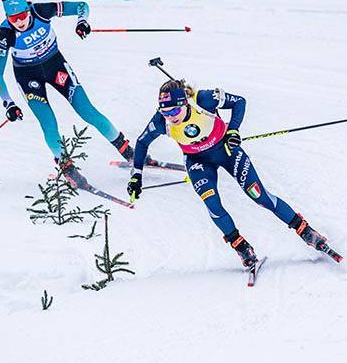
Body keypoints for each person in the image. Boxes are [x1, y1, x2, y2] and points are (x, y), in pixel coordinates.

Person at [127, 80, 332, 268]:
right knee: (213, 205)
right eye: (165, 112)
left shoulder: (203, 100)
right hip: (198, 162)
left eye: (173, 111)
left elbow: (239, 102)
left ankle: (306, 232)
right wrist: (136, 175)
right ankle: (242, 247)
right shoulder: (161, 121)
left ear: (185, 103)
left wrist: (233, 130)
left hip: (227, 151)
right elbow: (142, 142)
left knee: (258, 196)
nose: (170, 117)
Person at [0, 0, 136, 185]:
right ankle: (66, 166)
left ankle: (127, 150)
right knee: (49, 123)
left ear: (28, 10)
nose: (19, 22)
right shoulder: (6, 33)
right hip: (28, 77)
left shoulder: (42, 11)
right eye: (13, 18)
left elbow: (81, 7)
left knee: (88, 111)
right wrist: (8, 103)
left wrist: (81, 22)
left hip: (55, 66)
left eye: (22, 16)